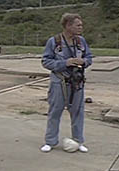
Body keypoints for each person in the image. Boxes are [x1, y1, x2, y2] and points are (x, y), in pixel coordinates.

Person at [40, 13, 92, 153]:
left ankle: (78, 140)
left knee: (78, 112)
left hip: (77, 83)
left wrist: (84, 62)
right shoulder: (54, 41)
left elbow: (89, 57)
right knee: (55, 111)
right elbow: (46, 61)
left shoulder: (81, 42)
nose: (81, 27)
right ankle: (50, 141)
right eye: (78, 25)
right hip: (59, 81)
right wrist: (65, 63)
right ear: (68, 26)